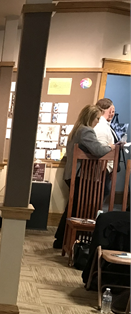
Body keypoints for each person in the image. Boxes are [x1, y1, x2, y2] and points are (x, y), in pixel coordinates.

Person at [53, 105, 113, 249]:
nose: (98, 122)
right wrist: (111, 147)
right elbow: (98, 150)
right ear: (91, 117)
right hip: (81, 174)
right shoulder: (86, 131)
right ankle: (64, 240)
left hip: (73, 173)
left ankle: (61, 239)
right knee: (76, 209)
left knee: (72, 207)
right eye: (97, 118)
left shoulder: (76, 130)